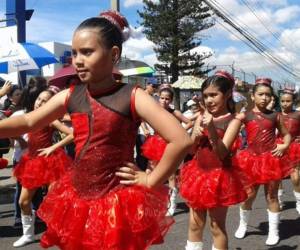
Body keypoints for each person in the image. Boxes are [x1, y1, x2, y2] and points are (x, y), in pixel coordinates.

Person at [0, 11, 192, 250]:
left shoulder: (132, 96)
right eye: (74, 54)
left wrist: (151, 179)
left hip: (115, 201)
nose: (78, 60)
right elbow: (29, 122)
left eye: (87, 52)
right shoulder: (71, 95)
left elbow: (181, 140)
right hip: (78, 198)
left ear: (113, 54)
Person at [180, 71, 252, 250]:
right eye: (205, 96)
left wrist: (210, 128)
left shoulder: (233, 121)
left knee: (216, 227)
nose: (209, 100)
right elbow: (190, 150)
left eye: (214, 95)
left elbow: (222, 152)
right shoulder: (199, 117)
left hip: (220, 177)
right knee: (194, 225)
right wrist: (195, 138)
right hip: (197, 175)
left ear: (227, 94)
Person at [234, 78, 292, 246]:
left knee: (272, 196)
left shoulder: (275, 115)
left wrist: (285, 145)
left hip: (271, 160)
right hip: (251, 161)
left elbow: (286, 134)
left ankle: (274, 231)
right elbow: (233, 132)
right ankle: (243, 224)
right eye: (260, 94)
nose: (264, 98)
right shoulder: (245, 115)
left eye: (268, 95)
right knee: (248, 196)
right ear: (252, 96)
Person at [12, 89, 73, 247]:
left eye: (45, 101)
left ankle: (58, 233)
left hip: (50, 161)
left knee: (53, 201)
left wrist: (53, 148)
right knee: (23, 202)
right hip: (31, 163)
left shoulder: (50, 119)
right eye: (39, 99)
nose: (40, 102)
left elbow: (73, 134)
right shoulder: (29, 116)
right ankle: (28, 235)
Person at [142, 86, 192, 216]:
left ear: (171, 100)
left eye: (167, 99)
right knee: (149, 171)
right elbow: (141, 118)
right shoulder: (154, 110)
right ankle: (146, 201)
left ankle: (172, 203)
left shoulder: (173, 112)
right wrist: (145, 128)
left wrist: (179, 132)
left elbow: (189, 122)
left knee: (170, 175)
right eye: (162, 98)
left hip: (169, 144)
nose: (164, 101)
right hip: (154, 142)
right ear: (158, 97)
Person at [277, 88, 300, 214]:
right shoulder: (276, 115)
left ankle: (299, 201)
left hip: (294, 148)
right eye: (282, 101)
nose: (285, 103)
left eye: (288, 101)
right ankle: (279, 200)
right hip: (279, 147)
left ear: (293, 101)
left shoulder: (297, 114)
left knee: (295, 177)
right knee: (278, 176)